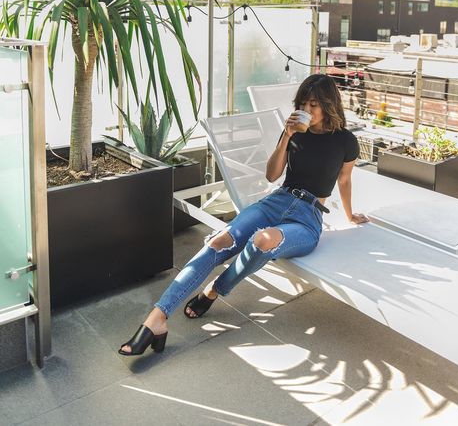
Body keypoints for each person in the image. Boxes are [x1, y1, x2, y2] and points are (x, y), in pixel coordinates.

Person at [119, 74, 369, 356]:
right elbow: (272, 174)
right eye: (302, 104)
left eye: (313, 104)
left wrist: (349, 215)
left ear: (328, 105)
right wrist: (287, 136)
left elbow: (344, 180)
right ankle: (157, 319)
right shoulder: (293, 132)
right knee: (218, 242)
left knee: (263, 241)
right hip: (277, 200)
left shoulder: (346, 141)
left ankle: (215, 289)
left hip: (307, 217)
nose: (307, 110)